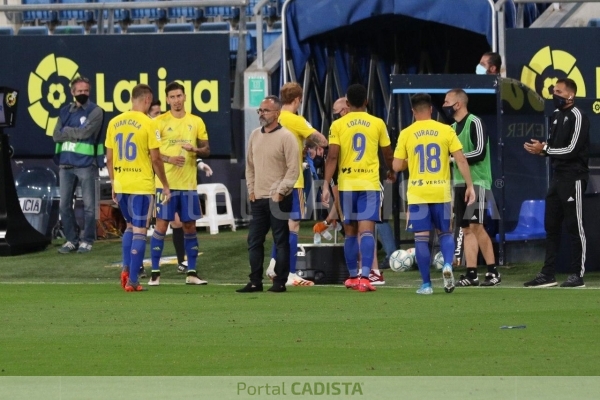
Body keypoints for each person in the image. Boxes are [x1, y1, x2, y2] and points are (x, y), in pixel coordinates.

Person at [393, 93, 475, 295]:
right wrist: (470, 186)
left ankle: (426, 285)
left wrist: (409, 161)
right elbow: (461, 159)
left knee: (421, 238)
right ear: (431, 110)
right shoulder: (445, 130)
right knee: (445, 232)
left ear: (413, 112)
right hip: (441, 191)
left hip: (418, 193)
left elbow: (396, 165)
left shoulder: (406, 133)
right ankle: (447, 264)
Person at [322, 84, 395, 293]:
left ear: (347, 103)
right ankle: (365, 277)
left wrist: (326, 184)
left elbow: (332, 156)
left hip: (347, 184)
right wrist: (391, 171)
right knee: (367, 231)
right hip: (369, 184)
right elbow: (387, 153)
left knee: (351, 232)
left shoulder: (338, 125)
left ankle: (352, 277)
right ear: (366, 101)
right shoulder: (377, 123)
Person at [523, 78, 589, 288]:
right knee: (551, 227)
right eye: (553, 91)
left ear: (571, 95)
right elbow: (554, 147)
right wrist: (542, 148)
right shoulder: (555, 116)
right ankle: (548, 274)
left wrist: (546, 150)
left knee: (574, 227)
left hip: (574, 177)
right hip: (557, 177)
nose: (555, 95)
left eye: (559, 91)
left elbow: (572, 150)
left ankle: (577, 274)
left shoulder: (579, 117)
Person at [105, 84, 170, 292]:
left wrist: (114, 182)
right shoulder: (149, 124)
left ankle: (126, 269)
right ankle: (133, 281)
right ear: (148, 99)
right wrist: (166, 185)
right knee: (141, 230)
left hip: (122, 184)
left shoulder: (114, 122)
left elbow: (109, 157)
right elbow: (156, 159)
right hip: (141, 186)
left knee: (130, 227)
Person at [265, 82, 328, 287]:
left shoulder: (274, 118)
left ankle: (274, 265)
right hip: (293, 181)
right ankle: (290, 272)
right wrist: (310, 141)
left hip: (273, 179)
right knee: (293, 225)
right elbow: (322, 140)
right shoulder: (296, 120)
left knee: (279, 225)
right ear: (298, 100)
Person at [148, 82, 210, 286]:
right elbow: (152, 154)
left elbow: (207, 149)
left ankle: (192, 272)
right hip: (165, 183)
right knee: (161, 225)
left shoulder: (196, 121)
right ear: (167, 100)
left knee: (190, 226)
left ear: (185, 97)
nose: (176, 100)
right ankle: (155, 273)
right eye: (172, 97)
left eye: (179, 96)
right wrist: (169, 159)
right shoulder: (159, 122)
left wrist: (195, 150)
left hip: (189, 184)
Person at [237, 96, 299, 293]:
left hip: (278, 199)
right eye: (260, 110)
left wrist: (280, 192)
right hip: (259, 198)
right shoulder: (255, 135)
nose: (261, 114)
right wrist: (251, 189)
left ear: (277, 113)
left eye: (265, 110)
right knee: (254, 240)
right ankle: (255, 281)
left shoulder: (287, 137)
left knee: (280, 240)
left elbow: (293, 169)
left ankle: (280, 281)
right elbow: (250, 165)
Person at [443, 88, 500, 287]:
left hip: (478, 183)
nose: (444, 105)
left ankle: (493, 272)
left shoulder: (475, 122)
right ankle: (472, 273)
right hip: (459, 183)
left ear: (457, 104)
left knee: (477, 226)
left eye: (447, 101)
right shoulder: (450, 128)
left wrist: (455, 158)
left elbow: (480, 152)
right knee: (466, 229)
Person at [53, 76, 105, 254]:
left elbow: (86, 133)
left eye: (86, 91)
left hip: (85, 164)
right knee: (64, 206)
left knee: (89, 206)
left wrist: (67, 130)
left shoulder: (95, 111)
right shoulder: (64, 111)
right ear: (72, 92)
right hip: (66, 164)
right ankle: (71, 240)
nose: (83, 93)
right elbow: (55, 136)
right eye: (80, 91)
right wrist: (70, 132)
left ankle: (87, 240)